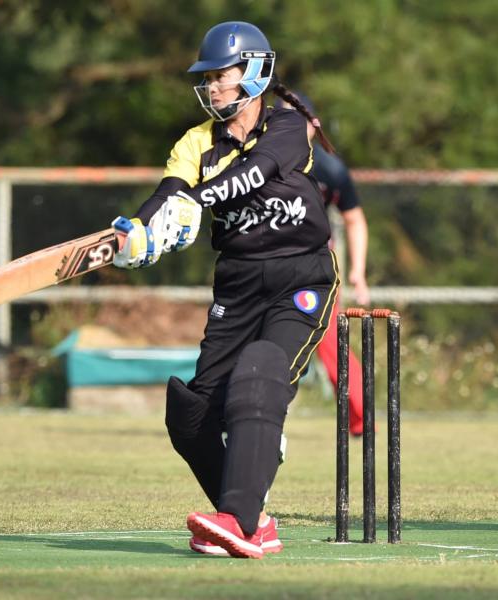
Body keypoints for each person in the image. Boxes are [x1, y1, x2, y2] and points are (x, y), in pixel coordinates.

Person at [111, 21, 339, 559]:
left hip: (300, 279)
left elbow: (254, 174)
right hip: (236, 286)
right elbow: (169, 193)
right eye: (207, 78)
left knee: (260, 371)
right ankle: (251, 520)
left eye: (223, 76)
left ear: (255, 74)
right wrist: (138, 231)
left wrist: (197, 203)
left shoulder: (286, 126)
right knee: (190, 414)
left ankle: (236, 519)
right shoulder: (195, 142)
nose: (213, 88)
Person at [277, 92, 370, 436]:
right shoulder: (262, 161)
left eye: (297, 121)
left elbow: (355, 220)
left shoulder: (330, 168)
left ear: (313, 126)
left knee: (329, 343)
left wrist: (358, 272)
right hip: (265, 264)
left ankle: (363, 417)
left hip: (314, 268)